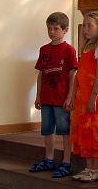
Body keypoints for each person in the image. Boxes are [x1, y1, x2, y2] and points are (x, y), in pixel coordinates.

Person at [29, 12, 79, 178]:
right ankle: (49, 159)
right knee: (47, 130)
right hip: (46, 98)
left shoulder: (69, 50)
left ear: (65, 30)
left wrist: (70, 96)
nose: (52, 32)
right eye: (49, 28)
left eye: (56, 29)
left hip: (61, 99)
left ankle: (66, 162)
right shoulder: (44, 50)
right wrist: (38, 96)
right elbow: (41, 74)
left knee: (64, 131)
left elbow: (72, 75)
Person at [70, 11, 98, 182]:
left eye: (90, 26)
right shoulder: (86, 47)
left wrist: (93, 98)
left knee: (95, 130)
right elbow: (79, 73)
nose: (86, 29)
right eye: (84, 25)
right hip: (82, 95)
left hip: (94, 95)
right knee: (84, 131)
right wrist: (73, 95)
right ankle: (88, 167)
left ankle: (96, 168)